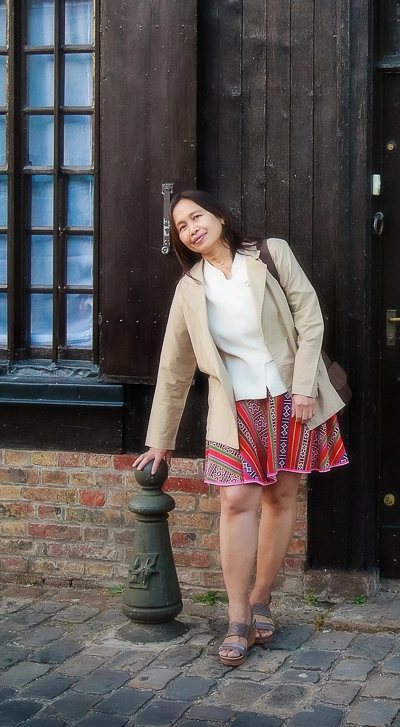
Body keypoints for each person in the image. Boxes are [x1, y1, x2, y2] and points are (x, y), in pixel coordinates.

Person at [132, 190, 348, 666]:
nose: (191, 228)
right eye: (182, 227)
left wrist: (305, 385)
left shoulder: (271, 254)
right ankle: (237, 619)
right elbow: (175, 366)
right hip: (235, 409)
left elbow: (309, 317)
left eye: (197, 216)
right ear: (182, 241)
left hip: (292, 399)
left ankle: (261, 599)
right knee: (235, 502)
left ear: (220, 216)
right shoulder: (189, 288)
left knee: (282, 497)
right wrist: (160, 440)